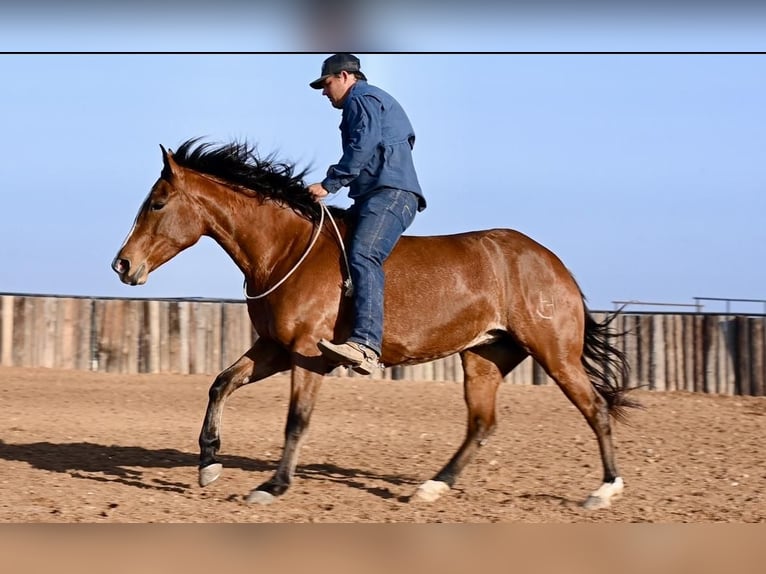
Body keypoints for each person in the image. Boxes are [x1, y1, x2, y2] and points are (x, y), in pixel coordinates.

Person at [307, 53, 427, 375]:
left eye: (327, 83)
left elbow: (364, 145)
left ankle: (366, 345)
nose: (323, 91)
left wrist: (329, 185)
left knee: (363, 254)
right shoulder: (368, 101)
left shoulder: (362, 99)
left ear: (346, 76)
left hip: (389, 196)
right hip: (373, 195)